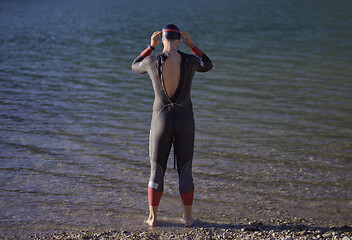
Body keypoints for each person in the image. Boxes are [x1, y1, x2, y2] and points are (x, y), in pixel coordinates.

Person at [131, 24, 213, 227]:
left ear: (162, 39)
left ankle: (153, 218)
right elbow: (208, 64)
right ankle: (187, 219)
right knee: (185, 170)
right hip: (185, 120)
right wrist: (192, 45)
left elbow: (134, 65)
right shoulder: (191, 60)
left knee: (156, 169)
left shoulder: (151, 60)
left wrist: (150, 47)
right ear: (179, 39)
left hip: (161, 120)